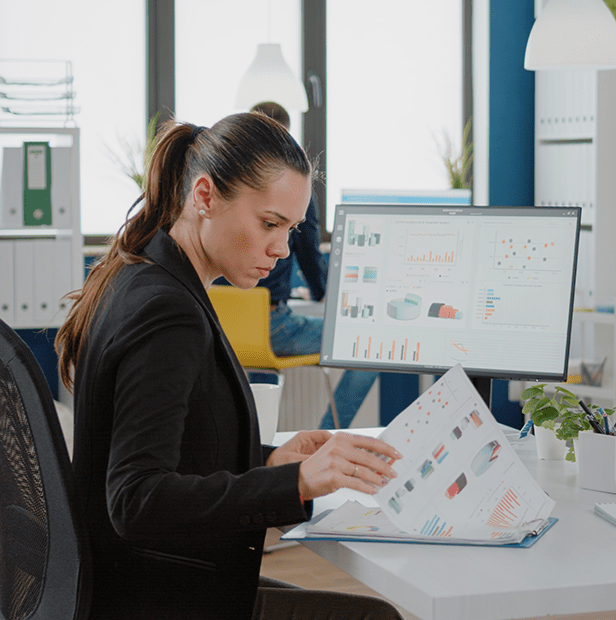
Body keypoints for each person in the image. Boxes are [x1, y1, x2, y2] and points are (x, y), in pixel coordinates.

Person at [55, 113, 403, 620]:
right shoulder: (167, 311)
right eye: (269, 224)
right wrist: (297, 483)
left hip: (141, 580)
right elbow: (136, 499)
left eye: (291, 229)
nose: (282, 250)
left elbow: (178, 447)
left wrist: (269, 462)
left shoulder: (142, 275)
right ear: (204, 196)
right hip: (156, 595)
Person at [244, 101, 378, 430]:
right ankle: (325, 434)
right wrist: (321, 292)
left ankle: (257, 438)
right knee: (370, 344)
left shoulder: (236, 188)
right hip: (272, 326)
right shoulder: (293, 190)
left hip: (227, 327)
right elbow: (307, 251)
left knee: (259, 368)